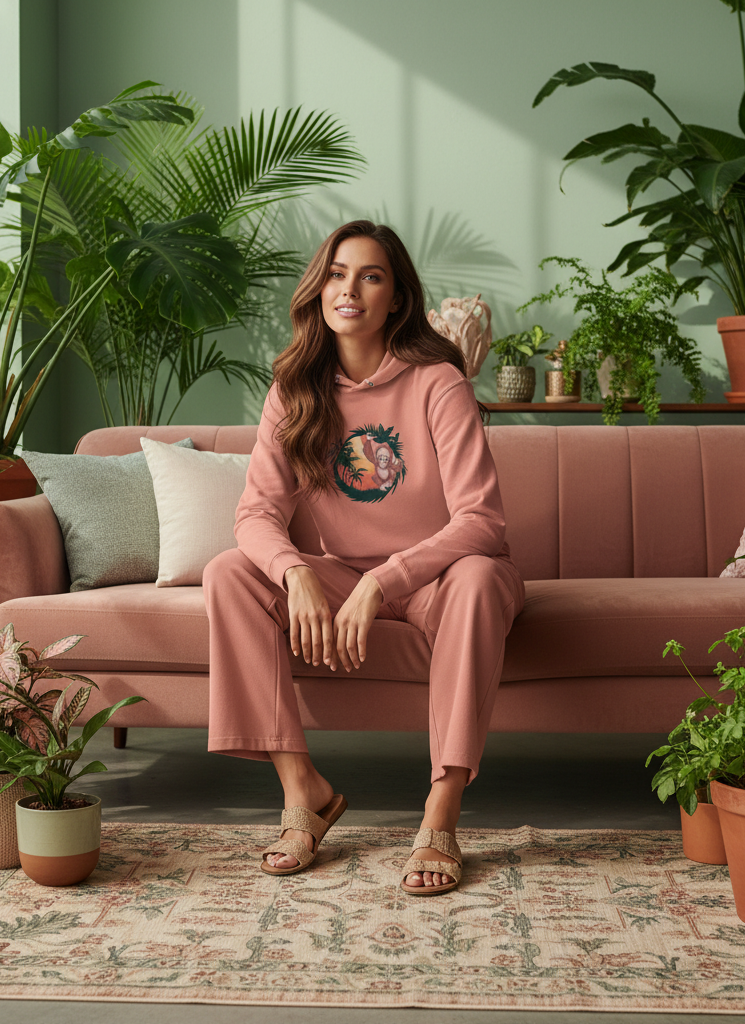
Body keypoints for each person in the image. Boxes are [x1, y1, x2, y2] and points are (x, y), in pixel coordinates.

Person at [204, 220, 524, 895]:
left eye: (371, 275)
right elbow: (256, 515)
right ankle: (303, 792)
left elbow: (482, 521)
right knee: (230, 572)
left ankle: (441, 810)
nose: (350, 288)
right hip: (343, 573)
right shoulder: (296, 390)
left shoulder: (438, 383)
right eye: (338, 273)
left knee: (477, 580)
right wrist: (295, 572)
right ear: (319, 289)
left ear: (396, 300)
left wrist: (385, 579)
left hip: (439, 576)